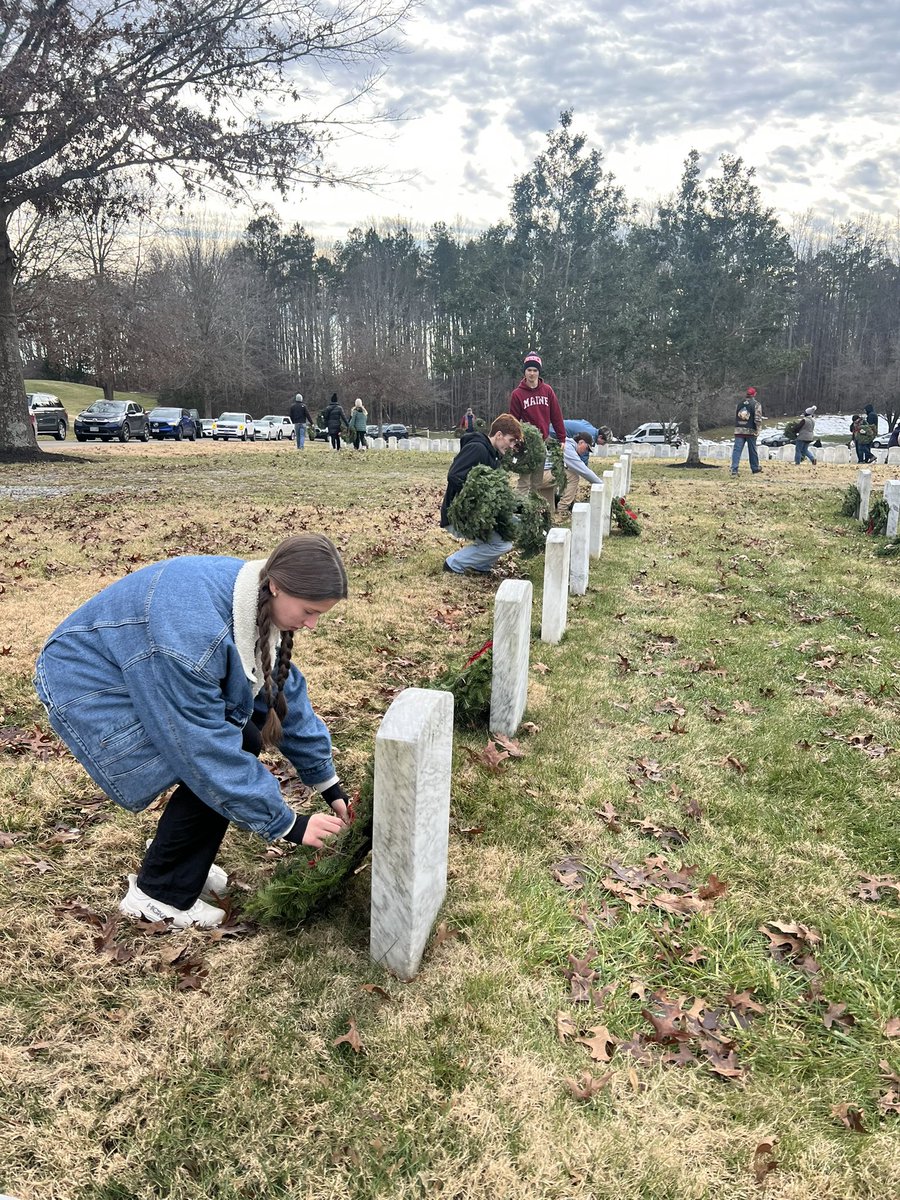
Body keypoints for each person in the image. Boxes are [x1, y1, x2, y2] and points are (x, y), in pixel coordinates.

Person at [34, 535, 351, 929]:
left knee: (239, 741)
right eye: (308, 611)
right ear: (277, 585)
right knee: (222, 750)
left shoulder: (257, 599)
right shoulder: (194, 639)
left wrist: (329, 785)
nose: (312, 624)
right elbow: (201, 750)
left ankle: (177, 858)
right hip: (91, 681)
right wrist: (290, 824)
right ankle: (158, 894)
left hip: (141, 662)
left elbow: (283, 693)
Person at [440, 414, 523, 575]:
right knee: (502, 544)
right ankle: (453, 564)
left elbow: (496, 490)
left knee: (507, 534)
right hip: (458, 514)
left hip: (478, 513)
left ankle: (481, 566)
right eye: (511, 440)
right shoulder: (477, 448)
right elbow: (454, 475)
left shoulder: (493, 455)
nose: (512, 446)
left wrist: (518, 507)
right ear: (499, 435)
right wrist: (480, 498)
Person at [508, 351, 566, 506]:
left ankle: (532, 512)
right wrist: (514, 441)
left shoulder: (547, 391)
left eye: (535, 370)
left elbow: (556, 415)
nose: (532, 373)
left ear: (539, 372)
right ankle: (518, 510)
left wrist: (562, 438)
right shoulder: (517, 394)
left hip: (542, 442)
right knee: (524, 480)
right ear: (525, 372)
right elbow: (513, 420)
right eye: (529, 370)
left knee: (537, 481)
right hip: (526, 443)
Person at [558, 433, 604, 517]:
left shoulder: (568, 445)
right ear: (581, 442)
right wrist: (601, 484)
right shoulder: (568, 449)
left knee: (568, 473)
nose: (585, 452)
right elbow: (583, 471)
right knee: (573, 477)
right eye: (586, 448)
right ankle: (562, 509)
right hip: (543, 473)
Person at [730, 387, 764, 476]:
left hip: (739, 430)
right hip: (750, 430)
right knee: (752, 450)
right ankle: (755, 468)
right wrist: (758, 429)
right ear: (754, 394)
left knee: (737, 450)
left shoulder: (740, 404)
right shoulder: (756, 404)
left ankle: (734, 469)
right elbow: (757, 419)